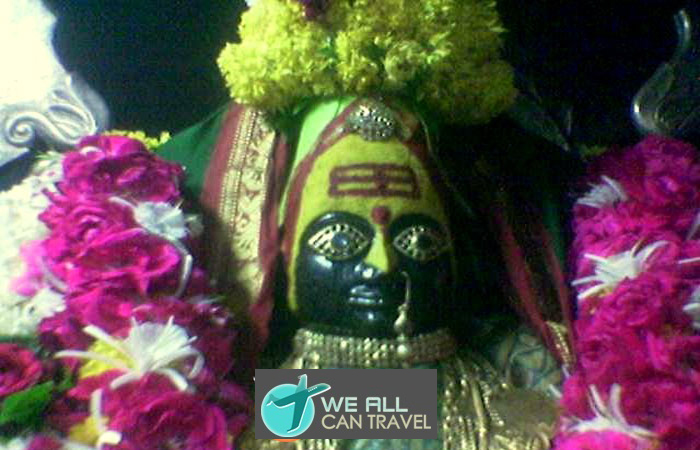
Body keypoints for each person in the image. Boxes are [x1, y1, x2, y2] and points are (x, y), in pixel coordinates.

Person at [158, 1, 568, 447]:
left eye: (418, 240)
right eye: (339, 240)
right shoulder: (242, 409)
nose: (384, 265)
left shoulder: (522, 383)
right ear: (282, 252)